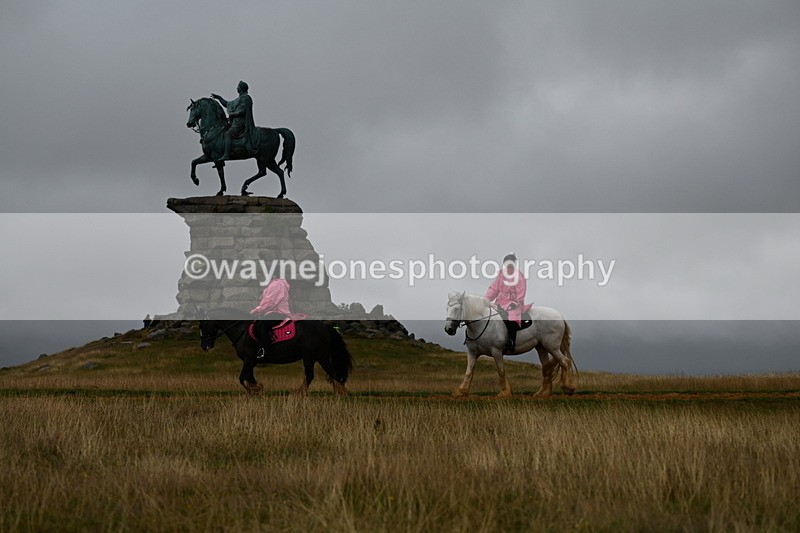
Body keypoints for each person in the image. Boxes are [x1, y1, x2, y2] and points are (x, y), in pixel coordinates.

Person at [484, 253, 531, 353]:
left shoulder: (518, 275)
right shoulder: (501, 275)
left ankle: (511, 341)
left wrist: (517, 301)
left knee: (511, 317)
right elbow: (494, 288)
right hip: (500, 302)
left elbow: (521, 289)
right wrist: (487, 298)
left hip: (513, 303)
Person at [210, 80, 260, 161]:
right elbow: (227, 104)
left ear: (240, 88)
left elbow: (242, 111)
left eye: (238, 87)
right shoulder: (238, 99)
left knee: (228, 134)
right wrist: (219, 98)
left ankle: (226, 154)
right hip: (235, 122)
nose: (237, 88)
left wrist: (232, 114)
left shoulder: (246, 98)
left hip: (241, 123)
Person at [250, 278, 292, 359]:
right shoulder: (272, 284)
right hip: (272, 312)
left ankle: (265, 351)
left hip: (278, 312)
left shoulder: (277, 284)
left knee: (261, 325)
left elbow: (270, 302)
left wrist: (257, 310)